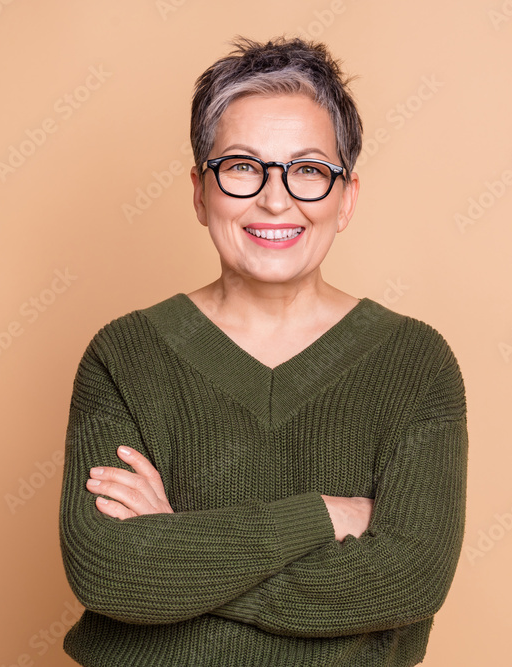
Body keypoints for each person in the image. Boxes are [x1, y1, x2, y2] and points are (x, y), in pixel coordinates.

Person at [58, 36, 468, 666]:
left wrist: (177, 552)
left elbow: (405, 580)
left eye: (308, 170)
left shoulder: (415, 363)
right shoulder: (125, 355)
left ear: (346, 197)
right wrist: (321, 517)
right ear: (200, 191)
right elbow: (109, 568)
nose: (275, 200)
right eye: (244, 167)